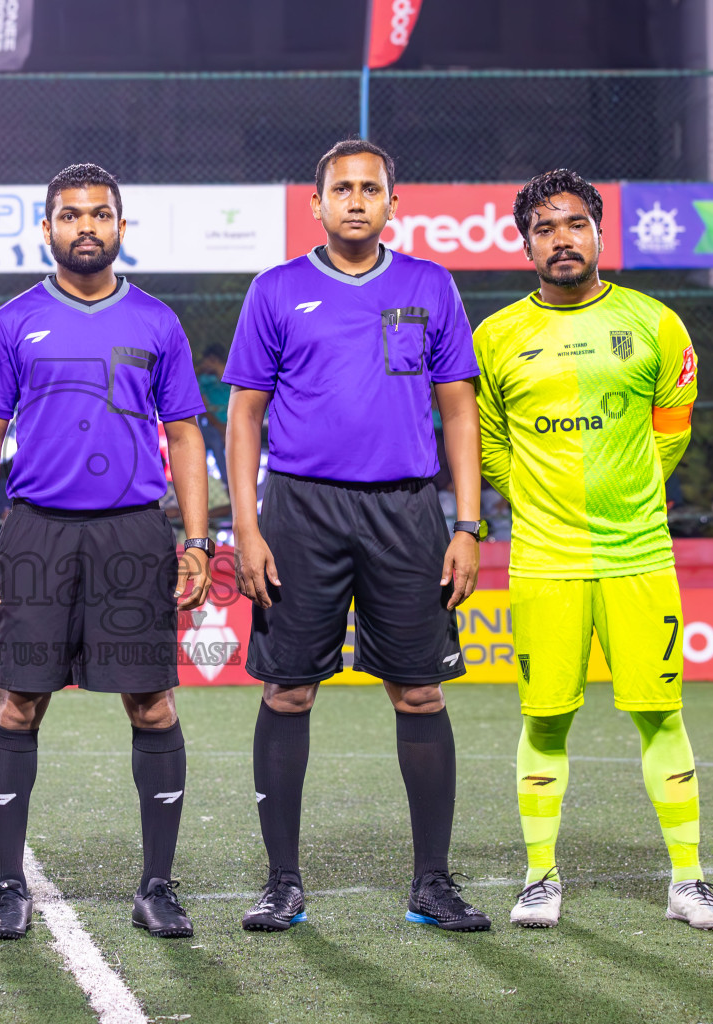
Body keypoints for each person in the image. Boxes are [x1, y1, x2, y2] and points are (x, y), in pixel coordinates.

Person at [223, 139, 488, 933]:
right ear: (317, 203)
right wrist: (246, 522)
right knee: (289, 689)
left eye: (372, 188)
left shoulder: (429, 285)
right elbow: (244, 416)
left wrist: (467, 525)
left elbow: (460, 410)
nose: (357, 200)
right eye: (342, 188)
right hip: (300, 511)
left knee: (420, 690)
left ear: (392, 204)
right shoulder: (276, 290)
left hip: (406, 513)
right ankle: (281, 882)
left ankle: (432, 883)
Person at [476, 168, 713, 931]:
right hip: (544, 561)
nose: (563, 239)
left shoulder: (658, 323)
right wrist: (541, 503)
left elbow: (673, 428)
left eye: (576, 224)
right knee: (546, 718)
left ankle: (688, 881)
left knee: (661, 714)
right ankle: (538, 876)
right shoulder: (497, 336)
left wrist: (621, 500)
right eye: (546, 228)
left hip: (640, 556)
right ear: (525, 244)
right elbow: (490, 446)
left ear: (599, 233)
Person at [0, 163, 212, 942]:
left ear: (121, 227)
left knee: (154, 704)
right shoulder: (14, 320)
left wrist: (199, 540)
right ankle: (7, 887)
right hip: (36, 530)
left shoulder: (158, 322)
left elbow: (183, 433)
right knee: (17, 703)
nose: (85, 226)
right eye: (69, 215)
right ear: (46, 229)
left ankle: (158, 886)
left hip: (134, 531)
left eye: (99, 213)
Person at [196, 345, 229, 483]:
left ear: (214, 360)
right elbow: (204, 410)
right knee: (215, 441)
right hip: (213, 426)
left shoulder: (235, 376)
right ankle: (227, 484)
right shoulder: (203, 380)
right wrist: (220, 427)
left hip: (236, 423)